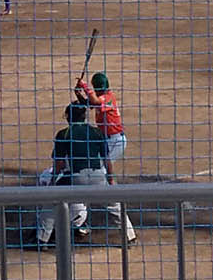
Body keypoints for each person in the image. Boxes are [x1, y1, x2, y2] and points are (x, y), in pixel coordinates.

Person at [34, 101, 135, 248]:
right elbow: (107, 160)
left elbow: (59, 164)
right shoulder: (96, 132)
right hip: (98, 177)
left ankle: (42, 240)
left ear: (68, 116)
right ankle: (130, 237)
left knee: (51, 202)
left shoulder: (64, 134)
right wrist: (111, 180)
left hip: (76, 178)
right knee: (115, 206)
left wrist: (53, 183)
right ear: (84, 116)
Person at [73, 71, 136, 241]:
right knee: (94, 173)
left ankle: (110, 190)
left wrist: (84, 86)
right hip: (106, 141)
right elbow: (89, 104)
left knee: (95, 173)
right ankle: (80, 220)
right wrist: (79, 94)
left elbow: (94, 101)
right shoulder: (102, 96)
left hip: (115, 141)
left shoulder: (108, 97)